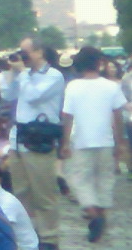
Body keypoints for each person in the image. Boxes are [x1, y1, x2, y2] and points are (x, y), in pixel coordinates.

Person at [60, 45, 128, 243]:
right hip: (106, 140)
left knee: (80, 180)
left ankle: (93, 213)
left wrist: (65, 143)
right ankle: (102, 217)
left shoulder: (73, 86)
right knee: (105, 180)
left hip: (81, 141)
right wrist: (120, 142)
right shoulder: (111, 86)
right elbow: (118, 117)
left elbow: (67, 117)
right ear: (99, 63)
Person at [6, 36, 64, 250]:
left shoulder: (53, 75)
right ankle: (29, 233)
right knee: (21, 191)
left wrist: (22, 73)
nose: (22, 56)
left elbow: (33, 96)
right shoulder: (24, 75)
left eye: (26, 52)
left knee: (44, 192)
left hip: (39, 139)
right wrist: (12, 73)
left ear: (39, 52)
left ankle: (49, 238)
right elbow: (7, 95)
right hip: (18, 138)